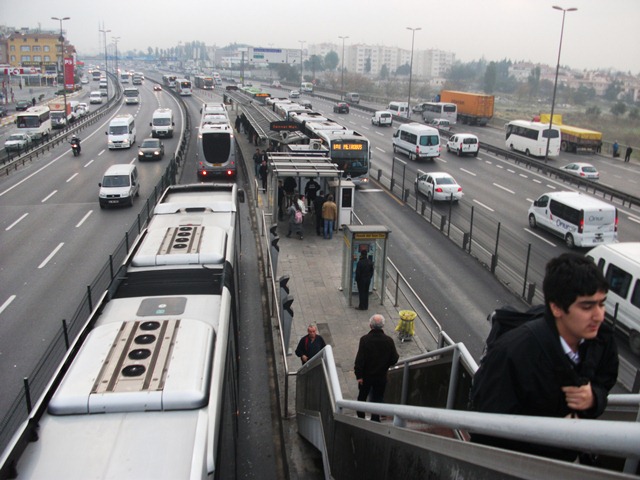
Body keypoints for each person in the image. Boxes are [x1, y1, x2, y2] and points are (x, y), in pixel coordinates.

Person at [470, 253, 619, 462]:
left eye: (601, 304)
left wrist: (594, 398)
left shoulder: (602, 339)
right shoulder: (513, 353)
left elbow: (605, 380)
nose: (599, 316)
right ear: (556, 307)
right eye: (587, 307)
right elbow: (486, 428)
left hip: (564, 456)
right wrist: (551, 434)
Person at [354, 314, 399, 422]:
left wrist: (359, 375)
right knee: (377, 397)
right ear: (382, 326)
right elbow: (394, 358)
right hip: (381, 376)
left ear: (370, 325)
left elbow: (360, 359)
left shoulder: (365, 340)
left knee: (362, 397)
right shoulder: (389, 341)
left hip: (366, 376)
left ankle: (361, 418)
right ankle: (375, 418)